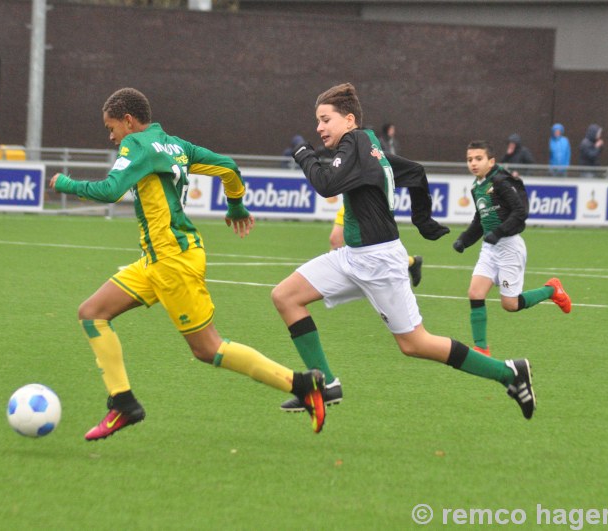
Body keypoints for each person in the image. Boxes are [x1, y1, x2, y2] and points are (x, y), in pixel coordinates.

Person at [48, 87, 326, 440]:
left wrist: (66, 183)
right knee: (92, 313)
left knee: (208, 348)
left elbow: (110, 191)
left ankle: (302, 385)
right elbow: (228, 167)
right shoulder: (175, 145)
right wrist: (236, 206)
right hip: (156, 260)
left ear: (128, 121)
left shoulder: (136, 145)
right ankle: (123, 403)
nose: (111, 135)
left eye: (112, 126)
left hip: (172, 262)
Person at [274, 82, 536, 420]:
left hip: (379, 261)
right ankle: (324, 386)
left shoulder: (355, 141)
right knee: (285, 296)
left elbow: (326, 184)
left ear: (349, 119)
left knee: (415, 344)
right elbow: (414, 171)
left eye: (325, 120)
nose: (319, 127)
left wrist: (303, 154)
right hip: (353, 257)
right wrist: (423, 219)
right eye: (317, 121)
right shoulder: (367, 144)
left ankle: (508, 372)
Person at [452, 140, 572, 357]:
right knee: (475, 292)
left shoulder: (501, 181)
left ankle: (552, 290)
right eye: (470, 159)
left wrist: (499, 232)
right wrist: (464, 240)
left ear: (491, 161)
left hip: (509, 247)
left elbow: (519, 212)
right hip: (489, 249)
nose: (473, 163)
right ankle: (481, 348)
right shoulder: (476, 187)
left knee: (510, 304)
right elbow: (480, 220)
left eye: (479, 159)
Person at [329, 205, 423, 287]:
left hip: (369, 202)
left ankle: (412, 262)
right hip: (351, 199)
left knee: (377, 252)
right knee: (335, 240)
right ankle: (334, 278)